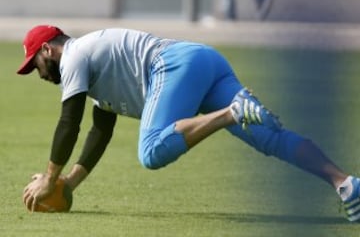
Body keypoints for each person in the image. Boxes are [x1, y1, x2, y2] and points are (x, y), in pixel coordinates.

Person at [19, 25, 359, 222]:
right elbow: (100, 131)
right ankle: (346, 184)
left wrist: (50, 178)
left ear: (47, 49)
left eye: (33, 64)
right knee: (270, 138)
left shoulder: (75, 55)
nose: (36, 73)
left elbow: (69, 122)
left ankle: (231, 112)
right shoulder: (92, 68)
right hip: (202, 60)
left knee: (151, 150)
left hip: (173, 65)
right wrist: (68, 184)